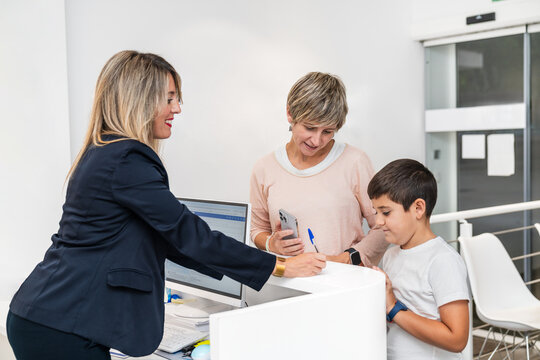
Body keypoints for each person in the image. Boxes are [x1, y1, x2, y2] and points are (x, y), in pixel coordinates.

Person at [6, 50, 326, 359]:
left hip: (51, 317)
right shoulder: (127, 158)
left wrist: (259, 268)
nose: (177, 108)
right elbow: (187, 232)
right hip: (62, 324)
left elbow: (173, 241)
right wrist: (276, 265)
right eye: (170, 98)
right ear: (141, 99)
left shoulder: (106, 152)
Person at [250, 72, 387, 266]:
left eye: (327, 132)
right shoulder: (265, 168)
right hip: (288, 287)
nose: (317, 141)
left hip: (344, 283)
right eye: (310, 128)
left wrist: (347, 259)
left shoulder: (355, 162)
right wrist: (271, 244)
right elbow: (256, 230)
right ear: (290, 114)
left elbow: (384, 227)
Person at [368, 159, 470, 360]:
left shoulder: (443, 261)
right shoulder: (391, 255)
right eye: (376, 212)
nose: (378, 222)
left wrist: (393, 308)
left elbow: (457, 339)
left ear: (418, 208)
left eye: (386, 212)